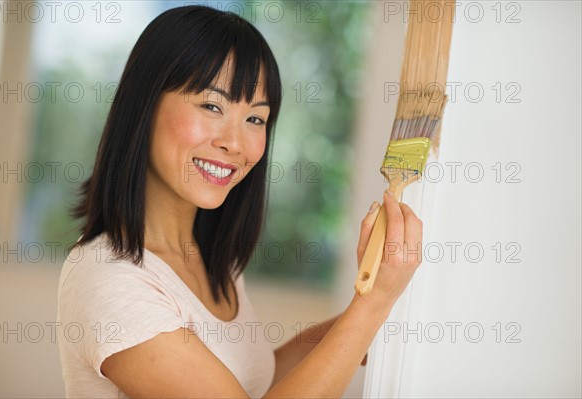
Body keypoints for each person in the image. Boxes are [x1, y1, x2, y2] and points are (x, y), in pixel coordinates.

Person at [56, 5, 423, 398]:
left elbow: (259, 384)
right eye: (212, 106)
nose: (235, 143)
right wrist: (372, 306)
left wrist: (368, 307)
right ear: (144, 104)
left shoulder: (210, 255)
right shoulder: (111, 280)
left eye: (256, 119)